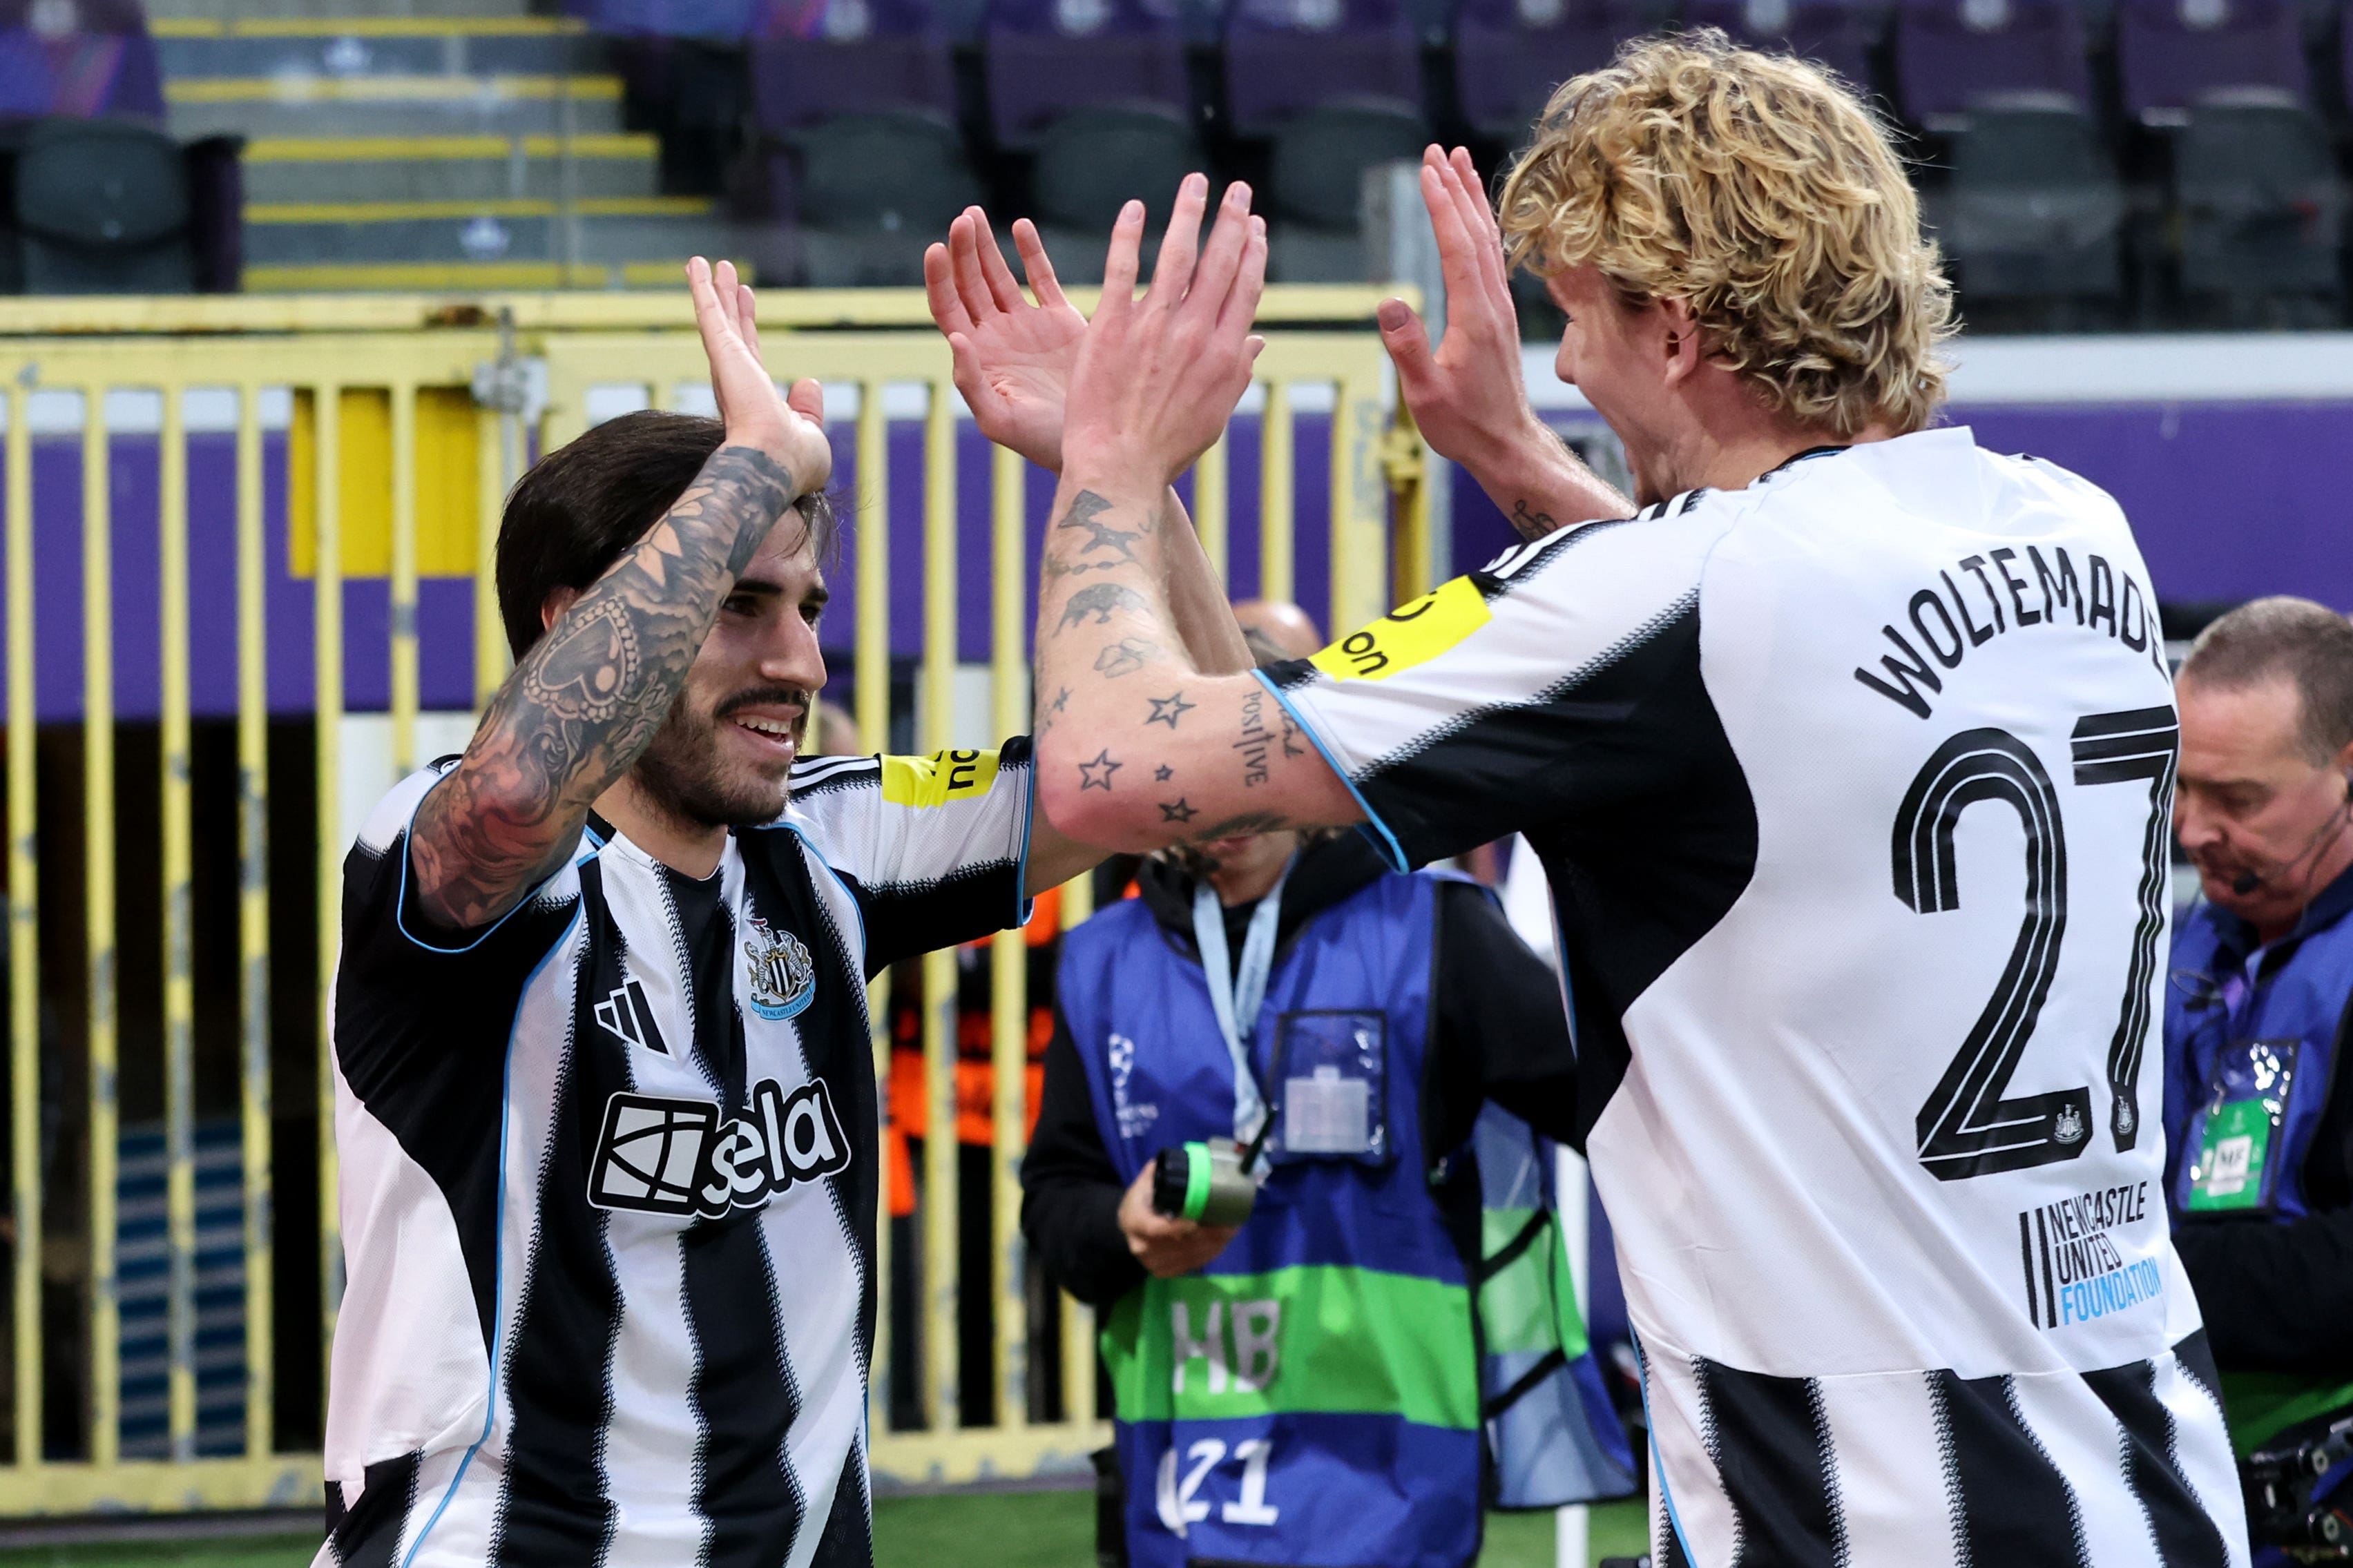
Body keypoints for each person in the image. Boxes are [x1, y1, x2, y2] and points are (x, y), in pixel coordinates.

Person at [1012, 37, 2249, 1566]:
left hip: (1851, 1497)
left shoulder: (1662, 598)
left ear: (1671, 329)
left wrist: (1104, 465)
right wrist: (1515, 457)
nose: (1567, 360)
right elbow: (1768, 674)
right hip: (2144, 1467)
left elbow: (1103, 761)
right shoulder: (2078, 531)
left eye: (1576, 316)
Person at [316, 258, 1249, 1567]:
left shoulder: (833, 843)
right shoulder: (449, 854)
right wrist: (753, 465)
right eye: (738, 608)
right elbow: (521, 786)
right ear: (579, 625)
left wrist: (1117, 468)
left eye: (806, 609)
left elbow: (1222, 773)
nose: (802, 662)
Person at [1020, 603, 1632, 1567]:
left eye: (1242, 767)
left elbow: (1624, 1113)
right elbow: (1055, 1204)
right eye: (1182, 775)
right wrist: (1119, 1226)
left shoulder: (1436, 929)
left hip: (1388, 1481)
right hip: (1181, 1473)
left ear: (1299, 754)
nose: (1215, 808)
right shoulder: (1101, 958)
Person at [2162, 599, 2353, 1467]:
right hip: (2169, 1451)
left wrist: (2127, 1269)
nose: (2190, 831)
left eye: (2237, 799)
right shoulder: (2168, 946)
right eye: (2180, 785)